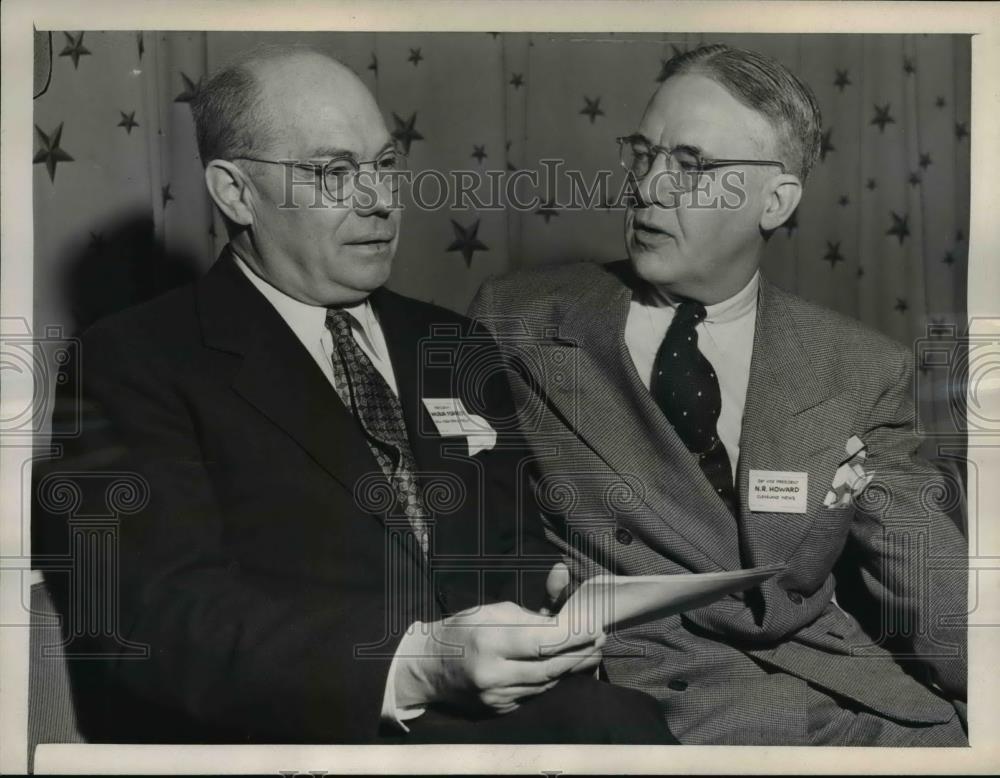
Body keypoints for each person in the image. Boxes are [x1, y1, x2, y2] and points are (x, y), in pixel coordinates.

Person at [32, 46, 674, 745]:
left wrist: (554, 611)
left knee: (626, 722)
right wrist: (421, 665)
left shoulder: (451, 343)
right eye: (335, 173)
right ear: (234, 192)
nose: (379, 200)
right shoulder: (132, 361)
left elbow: (510, 547)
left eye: (384, 166)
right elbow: (155, 623)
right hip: (308, 737)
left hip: (514, 721)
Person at [470, 44, 967, 746]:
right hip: (643, 708)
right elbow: (467, 532)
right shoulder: (521, 321)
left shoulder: (859, 366)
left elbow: (927, 571)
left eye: (692, 166)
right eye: (643, 154)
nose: (648, 187)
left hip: (844, 693)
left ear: (776, 201)